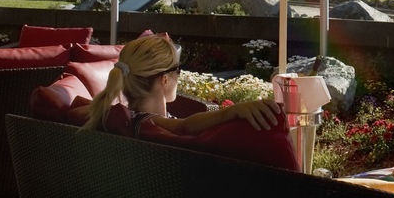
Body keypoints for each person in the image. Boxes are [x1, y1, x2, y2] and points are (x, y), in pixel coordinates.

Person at [83, 33, 281, 136]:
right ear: (164, 79)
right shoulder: (145, 124)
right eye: (177, 70)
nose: (180, 75)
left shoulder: (124, 117)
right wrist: (232, 111)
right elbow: (184, 126)